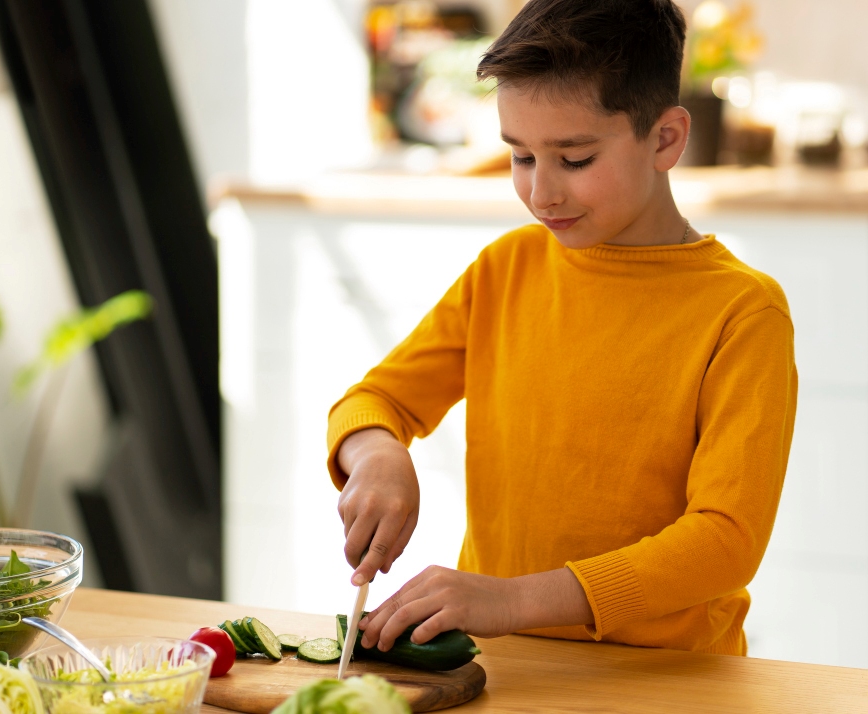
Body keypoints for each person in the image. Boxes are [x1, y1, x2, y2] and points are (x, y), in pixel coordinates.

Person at [327, 0, 797, 657]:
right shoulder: (505, 271)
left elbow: (724, 541)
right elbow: (374, 401)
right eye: (521, 157)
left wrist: (515, 598)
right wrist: (377, 454)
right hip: (508, 668)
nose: (541, 192)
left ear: (665, 139)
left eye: (573, 160)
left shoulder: (742, 314)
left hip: (672, 686)